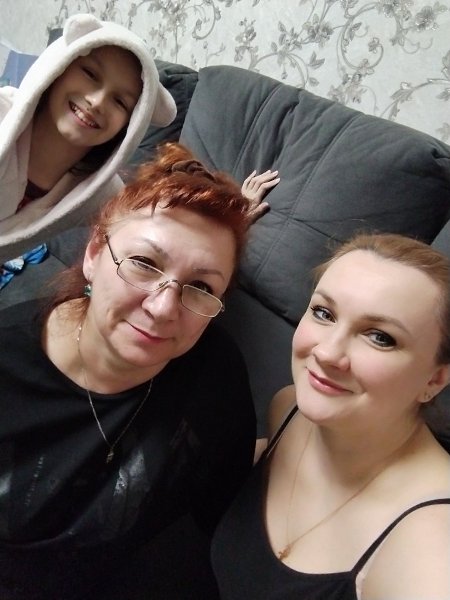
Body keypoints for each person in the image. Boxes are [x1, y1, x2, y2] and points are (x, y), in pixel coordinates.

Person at [0, 142, 256, 599]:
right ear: (94, 254)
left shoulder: (216, 378)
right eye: (144, 263)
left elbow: (227, 502)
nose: (162, 308)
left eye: (201, 286)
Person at [212, 232, 450, 600]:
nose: (326, 353)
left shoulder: (429, 541)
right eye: (324, 313)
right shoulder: (288, 411)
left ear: (434, 380)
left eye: (380, 337)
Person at [0, 12, 176, 265]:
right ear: (60, 67)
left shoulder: (102, 193)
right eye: (90, 74)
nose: (97, 102)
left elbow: (153, 231)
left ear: (130, 126)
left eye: (120, 101)